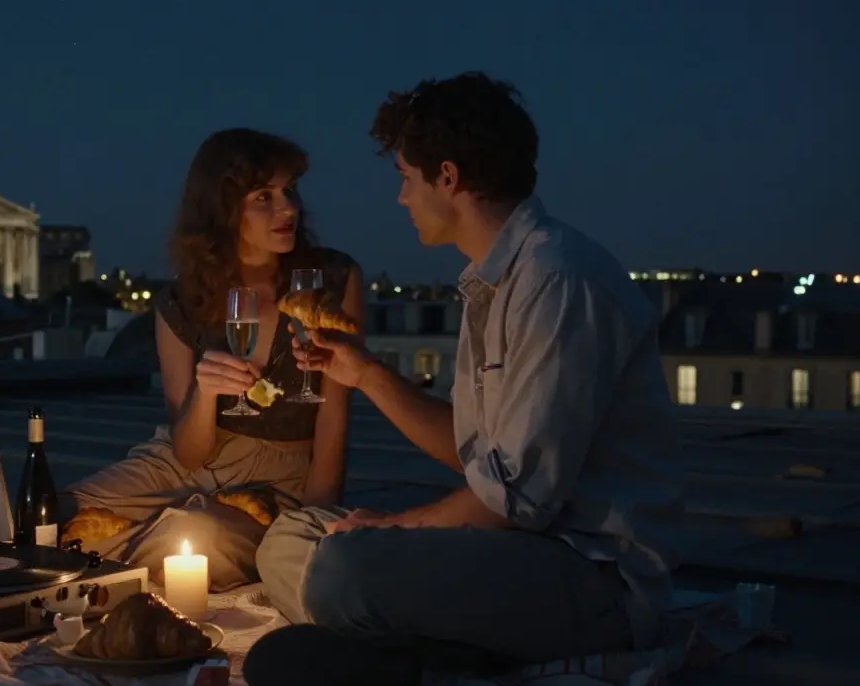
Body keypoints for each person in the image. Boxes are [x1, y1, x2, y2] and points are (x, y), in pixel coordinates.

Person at [249, 73, 685, 683]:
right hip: (516, 550)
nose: (401, 197)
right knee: (291, 535)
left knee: (344, 567)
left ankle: (411, 655)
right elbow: (474, 451)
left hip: (591, 574)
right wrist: (365, 374)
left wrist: (392, 528)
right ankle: (428, 651)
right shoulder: (491, 284)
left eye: (407, 176)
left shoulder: (556, 279)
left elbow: (517, 499)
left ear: (448, 178)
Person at [59, 127, 365, 590]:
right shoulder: (181, 302)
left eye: (290, 190)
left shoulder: (330, 279)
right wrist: (204, 395)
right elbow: (188, 451)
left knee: (198, 538)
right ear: (222, 208)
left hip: (280, 469)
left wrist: (315, 525)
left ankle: (119, 564)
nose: (288, 208)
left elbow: (333, 422)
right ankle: (112, 559)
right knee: (54, 512)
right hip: (183, 460)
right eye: (263, 197)